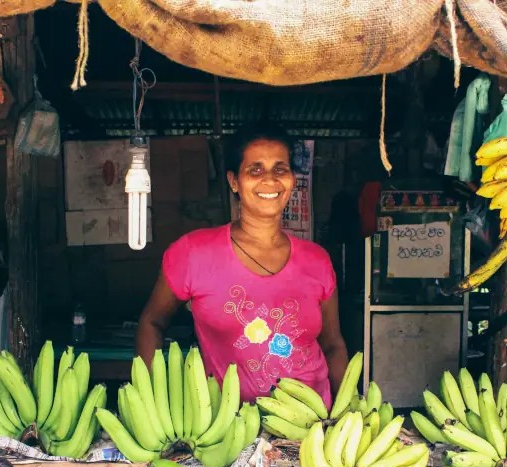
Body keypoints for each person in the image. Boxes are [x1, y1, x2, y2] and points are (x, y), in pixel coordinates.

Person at [135, 123, 348, 408]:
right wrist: (155, 406)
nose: (270, 179)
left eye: (280, 168)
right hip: (227, 428)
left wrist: (347, 409)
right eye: (255, 169)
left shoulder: (317, 260)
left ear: (292, 179)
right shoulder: (193, 253)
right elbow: (151, 323)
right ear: (234, 181)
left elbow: (333, 345)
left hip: (311, 424)